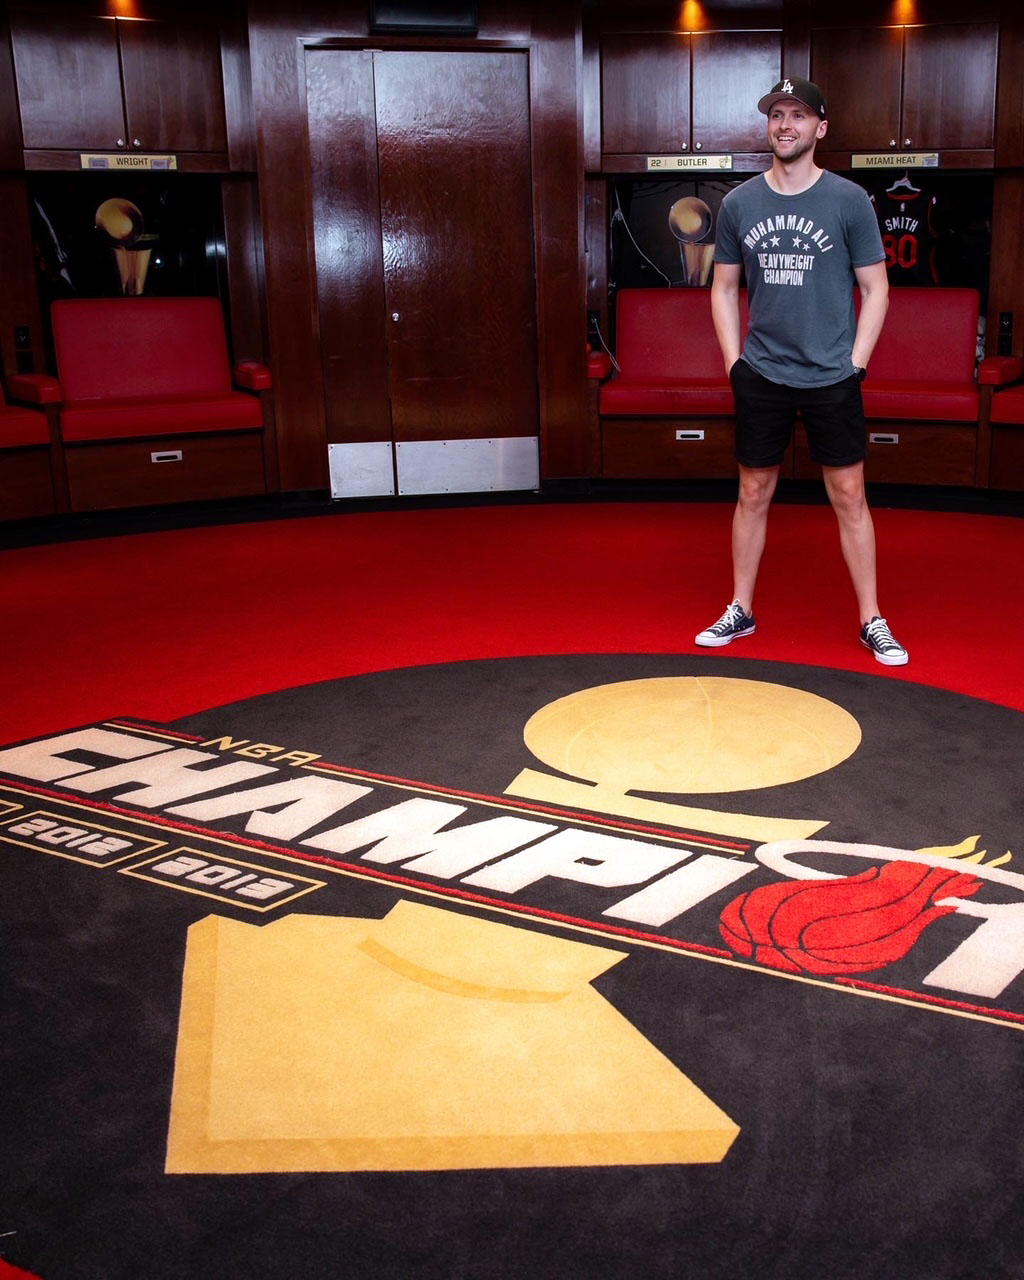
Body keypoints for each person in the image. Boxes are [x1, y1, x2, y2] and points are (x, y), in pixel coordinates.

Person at [696, 76, 908, 667]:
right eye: (775, 115)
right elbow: (724, 289)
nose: (783, 124)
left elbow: (877, 289)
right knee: (753, 489)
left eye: (796, 114)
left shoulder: (847, 201)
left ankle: (872, 618)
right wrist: (733, 363)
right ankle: (741, 607)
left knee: (849, 495)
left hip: (832, 374)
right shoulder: (739, 204)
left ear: (820, 128)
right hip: (762, 371)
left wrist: (856, 365)